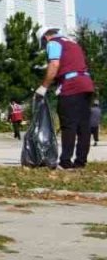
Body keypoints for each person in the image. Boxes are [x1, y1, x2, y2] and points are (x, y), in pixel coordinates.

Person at [36, 26, 95, 169]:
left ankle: (65, 161)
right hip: (86, 84)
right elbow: (72, 65)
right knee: (83, 125)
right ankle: (81, 162)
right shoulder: (72, 43)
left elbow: (54, 65)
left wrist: (43, 87)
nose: (44, 47)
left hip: (72, 86)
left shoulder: (53, 43)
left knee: (68, 124)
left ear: (45, 38)